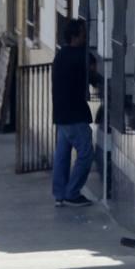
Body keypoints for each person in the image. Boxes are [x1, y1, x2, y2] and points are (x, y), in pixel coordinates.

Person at [51, 18, 98, 208]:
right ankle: (72, 193)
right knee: (86, 153)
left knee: (62, 155)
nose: (86, 37)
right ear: (75, 36)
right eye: (83, 33)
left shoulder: (60, 55)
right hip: (74, 115)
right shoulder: (80, 56)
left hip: (61, 114)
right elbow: (94, 74)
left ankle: (60, 193)